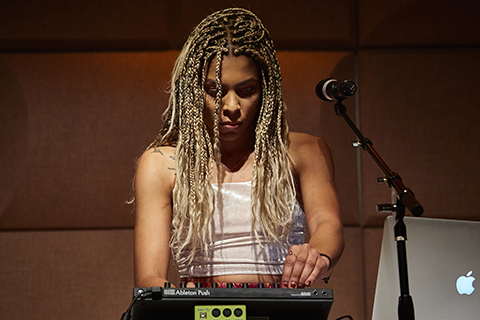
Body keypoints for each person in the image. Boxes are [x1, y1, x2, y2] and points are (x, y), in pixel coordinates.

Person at [133, 8, 344, 289]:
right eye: (215, 91)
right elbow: (149, 277)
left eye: (246, 91)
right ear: (193, 90)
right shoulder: (162, 163)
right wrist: (175, 299)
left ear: (266, 90)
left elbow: (327, 224)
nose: (231, 107)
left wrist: (316, 254)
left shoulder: (304, 151)